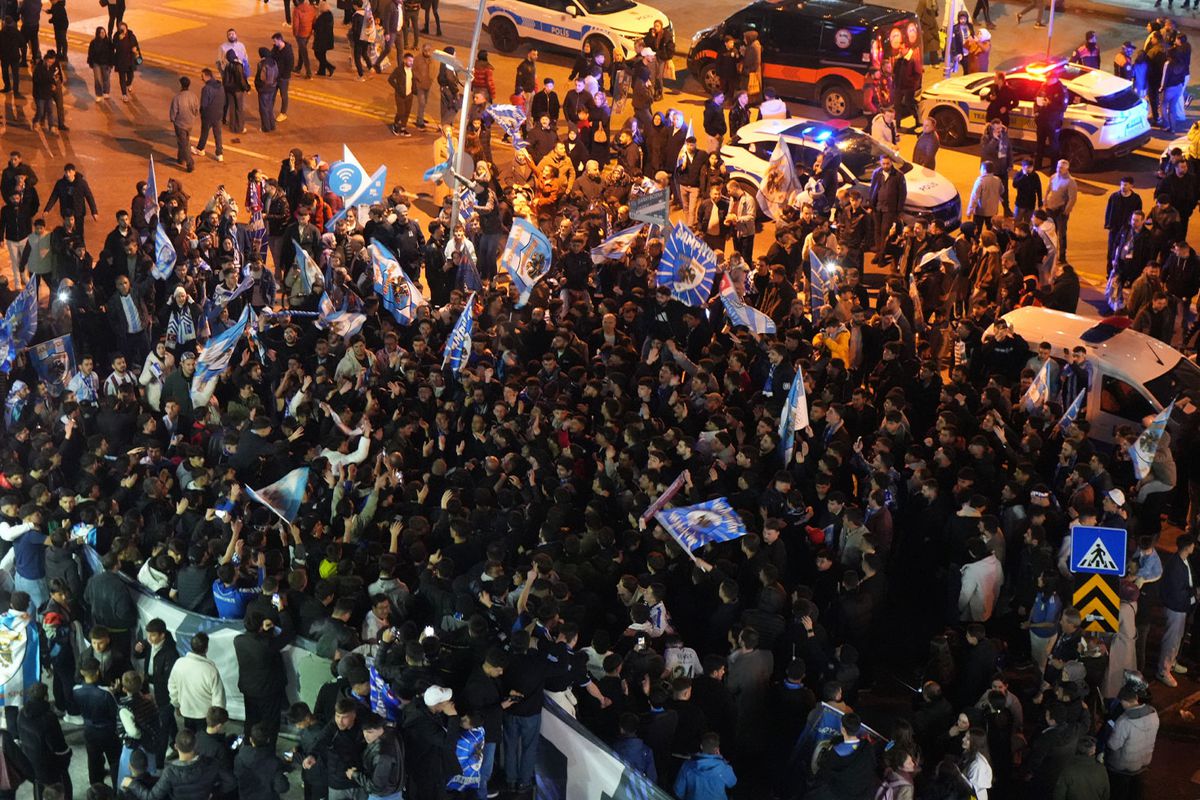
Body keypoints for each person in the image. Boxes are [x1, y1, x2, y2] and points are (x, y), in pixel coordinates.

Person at [1105, 686, 1159, 800]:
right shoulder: (1153, 713)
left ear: (1123, 701)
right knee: (1136, 790)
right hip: (1144, 759)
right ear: (1136, 698)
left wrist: (1110, 726)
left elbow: (1113, 745)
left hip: (1123, 765)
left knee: (1119, 791)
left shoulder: (1124, 721)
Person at [673, 732, 736, 800]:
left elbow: (679, 792)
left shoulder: (687, 765)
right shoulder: (724, 768)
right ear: (717, 749)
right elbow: (732, 783)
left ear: (701, 746)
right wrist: (721, 760)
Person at [1033, 71, 1068, 172]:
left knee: (1054, 145)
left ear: (1054, 79)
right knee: (1040, 143)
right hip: (1042, 120)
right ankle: (1037, 165)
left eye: (1048, 79)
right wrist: (1036, 111)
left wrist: (1050, 104)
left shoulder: (1061, 90)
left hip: (1053, 121)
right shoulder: (1043, 86)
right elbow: (1036, 99)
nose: (1046, 81)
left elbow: (1063, 107)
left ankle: (1053, 168)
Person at [169, 77, 199, 173]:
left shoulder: (178, 97)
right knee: (184, 141)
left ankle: (190, 163)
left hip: (180, 123)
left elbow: (174, 111)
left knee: (183, 143)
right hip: (190, 123)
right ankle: (180, 158)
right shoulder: (193, 96)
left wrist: (173, 119)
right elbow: (196, 110)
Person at [112, 22, 140, 102]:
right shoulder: (117, 36)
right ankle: (124, 94)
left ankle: (129, 84)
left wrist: (136, 52)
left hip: (130, 59)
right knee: (122, 78)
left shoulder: (131, 36)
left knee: (130, 76)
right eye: (121, 29)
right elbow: (113, 46)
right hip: (121, 60)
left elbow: (136, 45)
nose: (122, 30)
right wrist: (119, 40)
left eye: (124, 28)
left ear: (126, 28)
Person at [254, 47, 280, 133]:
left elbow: (261, 77)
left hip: (264, 89)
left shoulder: (262, 64)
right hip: (272, 87)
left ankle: (266, 127)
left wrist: (258, 86)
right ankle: (272, 125)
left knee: (263, 108)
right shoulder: (274, 62)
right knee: (269, 107)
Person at [87, 27, 114, 100]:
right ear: (98, 33)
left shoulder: (109, 42)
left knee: (106, 78)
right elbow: (90, 53)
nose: (103, 34)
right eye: (101, 32)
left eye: (104, 32)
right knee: (98, 79)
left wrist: (111, 63)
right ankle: (99, 94)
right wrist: (90, 62)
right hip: (97, 63)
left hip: (106, 63)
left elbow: (112, 53)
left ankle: (106, 92)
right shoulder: (93, 42)